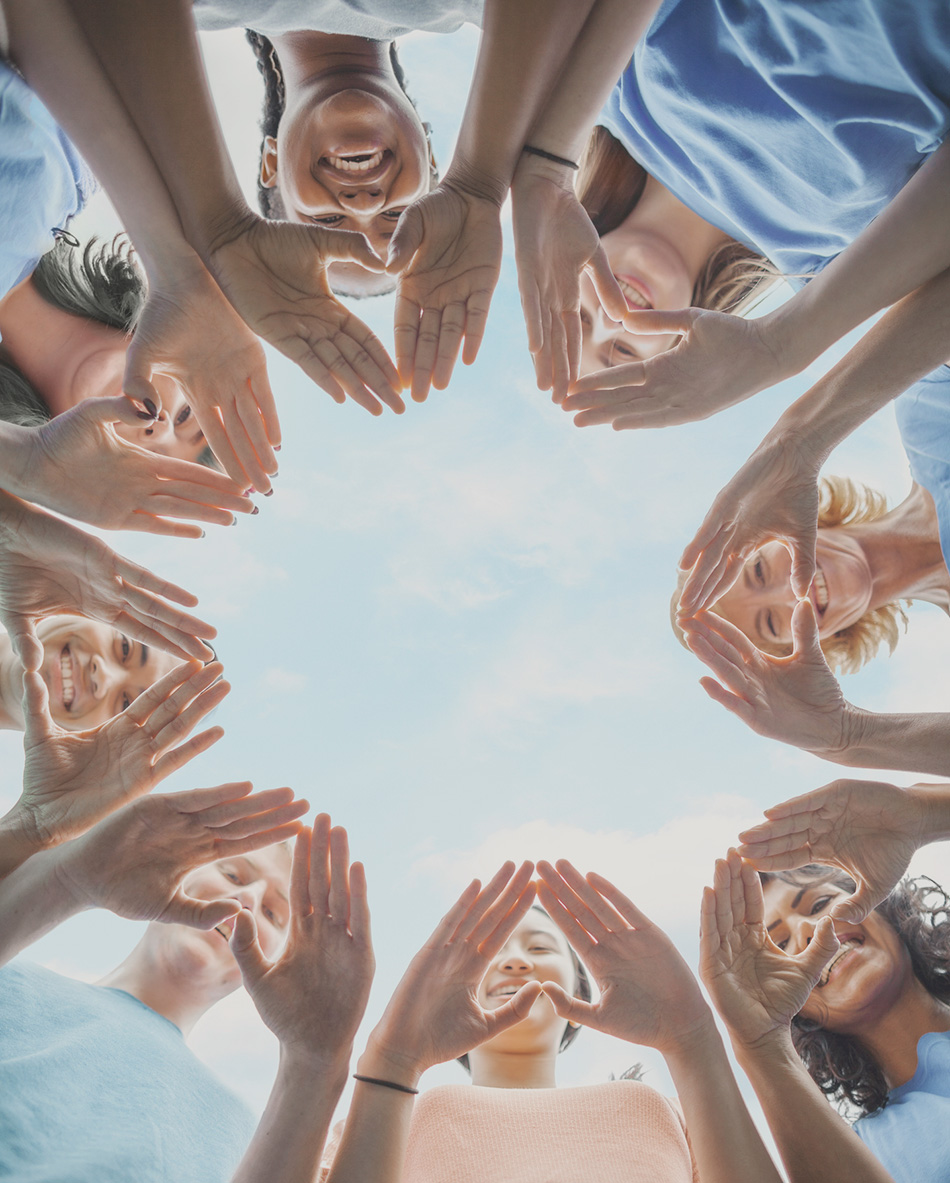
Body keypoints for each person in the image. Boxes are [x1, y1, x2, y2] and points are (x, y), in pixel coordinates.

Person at [322, 859, 785, 1183]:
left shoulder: (671, 1114)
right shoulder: (377, 1121)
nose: (516, 962)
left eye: (540, 948)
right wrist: (393, 1061)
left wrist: (694, 1039)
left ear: (586, 992)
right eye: (491, 952)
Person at [0, 799, 373, 1183]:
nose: (249, 900)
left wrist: (315, 1061)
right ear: (177, 871)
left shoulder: (258, 1137)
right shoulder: (12, 981)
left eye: (273, 915)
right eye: (233, 875)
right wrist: (67, 878)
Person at [700, 849, 950, 1183]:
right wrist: (756, 1041)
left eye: (819, 905)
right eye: (782, 944)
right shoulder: (862, 1154)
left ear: (882, 902)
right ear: (798, 1013)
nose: (808, 931)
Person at [672, 475, 948, 675]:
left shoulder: (928, 421)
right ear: (817, 643)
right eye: (770, 622)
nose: (793, 595)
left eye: (759, 571)